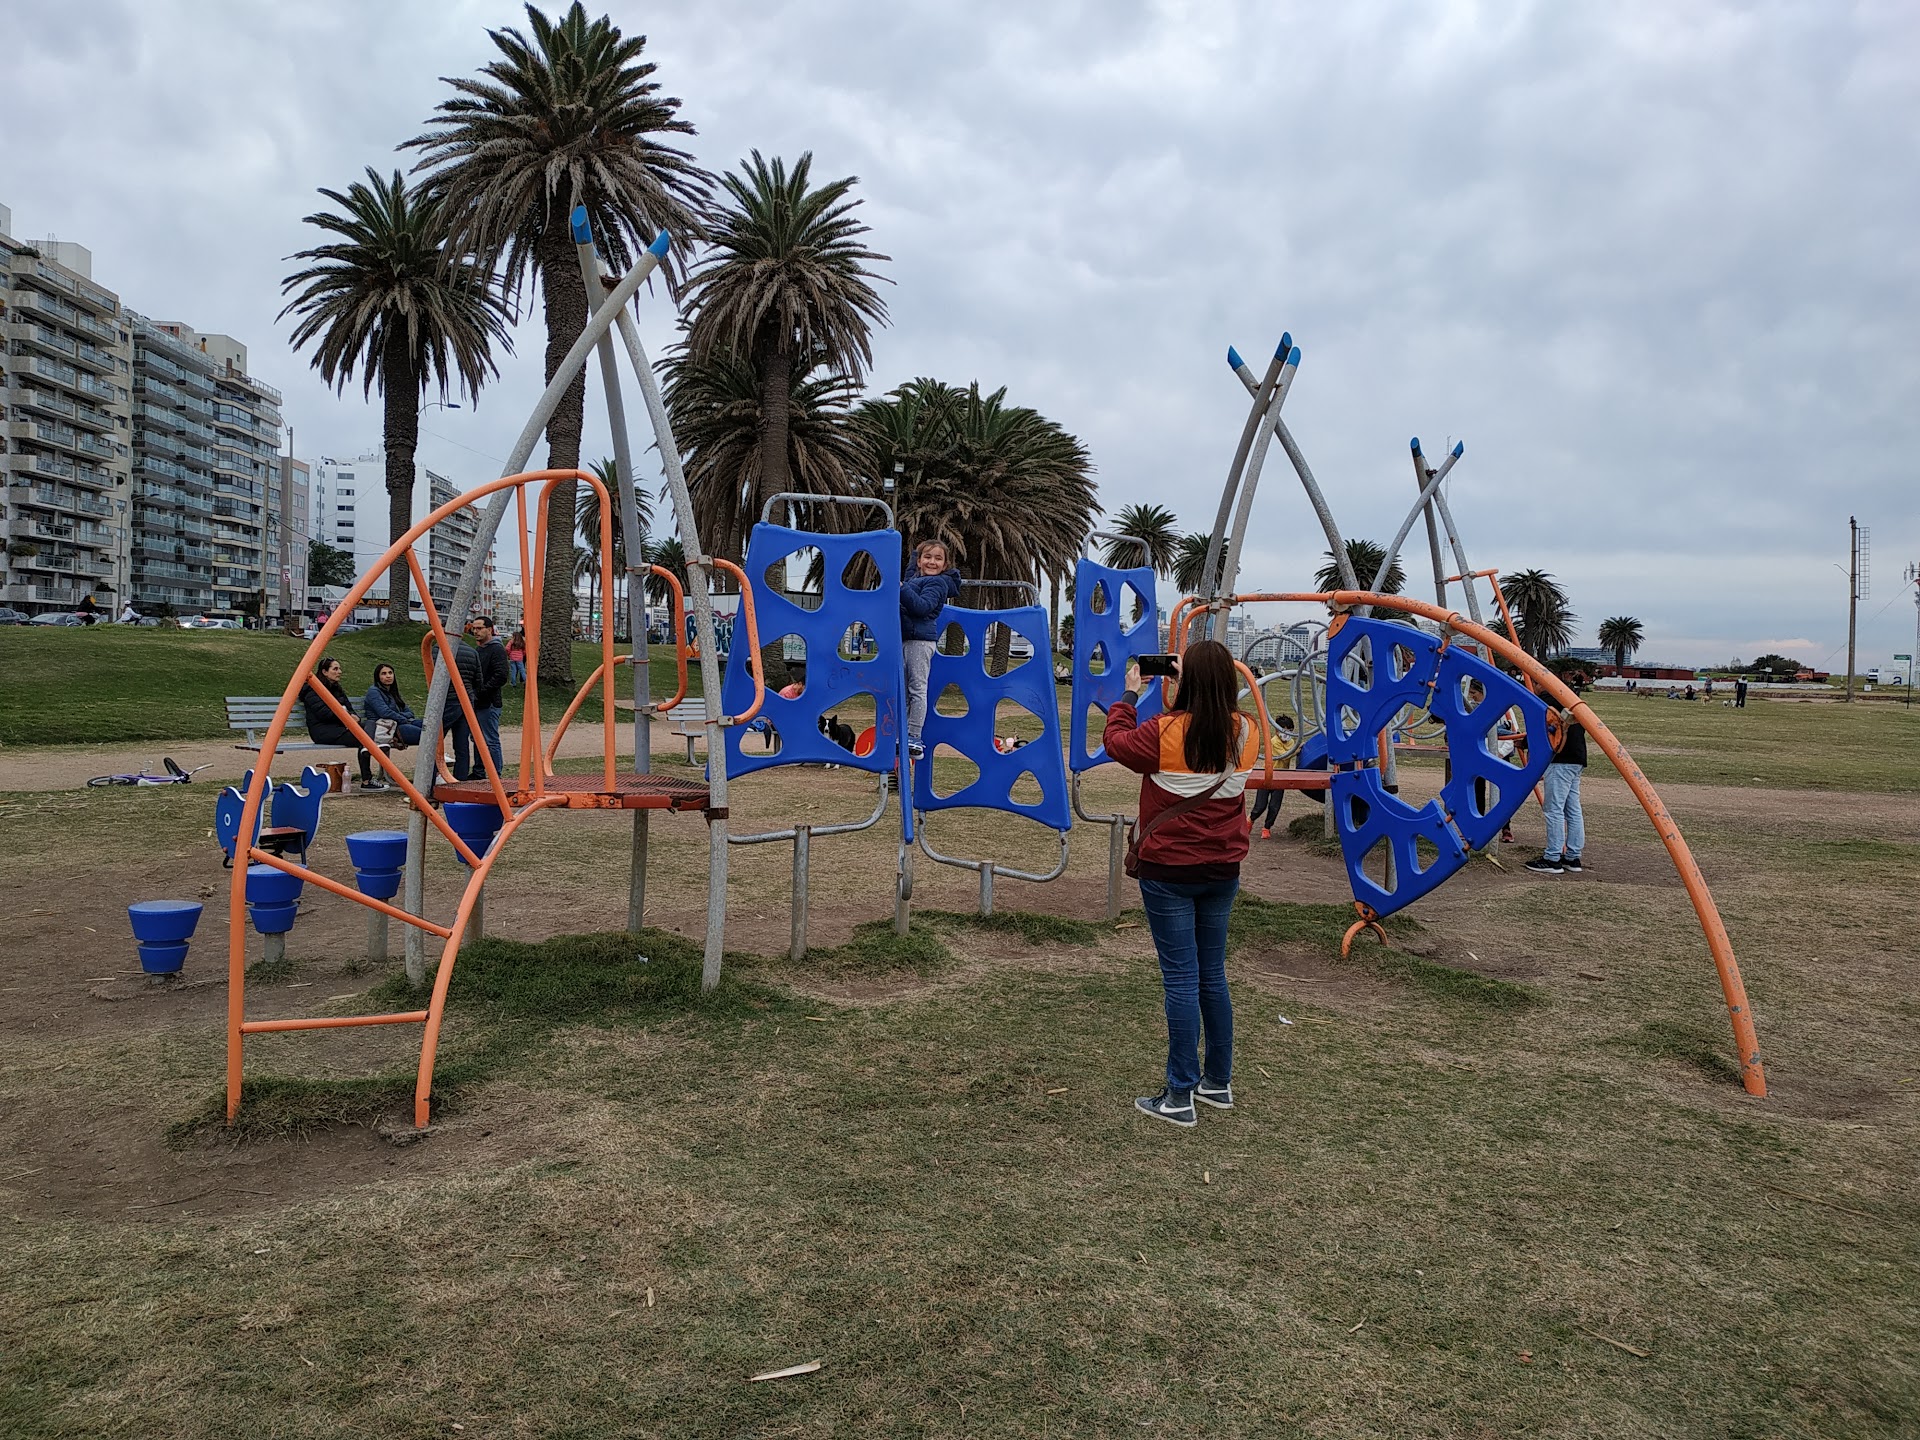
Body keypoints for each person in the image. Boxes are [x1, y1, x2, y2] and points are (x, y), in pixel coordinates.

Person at [1103, 640, 1261, 1129]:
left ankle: (1179, 1094)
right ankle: (1217, 1082)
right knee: (1212, 975)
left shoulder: (1164, 731)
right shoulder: (1248, 731)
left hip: (1169, 871)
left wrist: (1131, 693)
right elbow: (1208, 731)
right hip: (1222, 869)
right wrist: (1189, 679)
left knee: (1180, 980)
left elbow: (1116, 742)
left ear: (1185, 679)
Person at [900, 540, 962, 762]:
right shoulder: (916, 579)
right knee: (904, 691)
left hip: (920, 641)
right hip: (906, 639)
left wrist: (901, 588)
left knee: (917, 688)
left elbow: (921, 607)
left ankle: (914, 736)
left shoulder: (938, 583)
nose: (932, 562)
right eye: (927, 557)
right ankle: (903, 732)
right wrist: (914, 553)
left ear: (945, 565)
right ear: (919, 561)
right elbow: (909, 577)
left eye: (938, 558)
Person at [443, 616, 510, 781]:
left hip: (489, 702)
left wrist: (482, 691)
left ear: (489, 629)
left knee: (489, 739)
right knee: (477, 738)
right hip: (477, 701)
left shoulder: (496, 649)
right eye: (474, 628)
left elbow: (501, 675)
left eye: (479, 628)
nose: (476, 631)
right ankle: (480, 772)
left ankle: (495, 774)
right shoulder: (479, 650)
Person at [305, 655, 385, 791]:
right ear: (324, 672)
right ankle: (367, 780)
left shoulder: (336, 688)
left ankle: (369, 747)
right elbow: (324, 714)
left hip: (342, 727)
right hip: (323, 731)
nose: (339, 672)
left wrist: (354, 717)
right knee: (364, 738)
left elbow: (349, 708)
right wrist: (347, 718)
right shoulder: (312, 690)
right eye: (335, 669)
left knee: (371, 725)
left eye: (339, 669)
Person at [1525, 708, 1587, 875]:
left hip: (1560, 760)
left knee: (1554, 809)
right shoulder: (1574, 702)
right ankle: (1572, 856)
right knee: (1572, 809)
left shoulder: (1550, 701)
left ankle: (1553, 857)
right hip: (1577, 758)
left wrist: (1525, 743)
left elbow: (1542, 727)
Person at [1246, 714, 1297, 839]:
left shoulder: (1291, 742)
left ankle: (1267, 827)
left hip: (1281, 778)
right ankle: (1250, 819)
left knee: (1275, 806)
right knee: (1260, 805)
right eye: (1284, 730)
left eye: (1290, 731)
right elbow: (1284, 755)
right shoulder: (1273, 742)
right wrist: (1298, 750)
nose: (1287, 734)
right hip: (1267, 775)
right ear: (1277, 730)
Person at [363, 663, 424, 750]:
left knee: (431, 727)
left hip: (401, 722)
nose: (388, 676)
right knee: (425, 735)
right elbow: (385, 713)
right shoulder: (374, 691)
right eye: (384, 674)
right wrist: (402, 718)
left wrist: (402, 717)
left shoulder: (393, 691)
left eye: (390, 673)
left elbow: (410, 712)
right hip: (388, 727)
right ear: (378, 677)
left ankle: (438, 755)